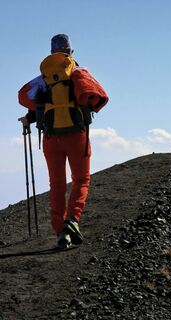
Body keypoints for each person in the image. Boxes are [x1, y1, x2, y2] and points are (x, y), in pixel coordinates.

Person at [18, 34, 108, 249]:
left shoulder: (44, 77)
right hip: (76, 137)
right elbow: (96, 97)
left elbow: (31, 100)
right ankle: (72, 221)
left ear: (52, 53)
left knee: (56, 184)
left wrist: (28, 119)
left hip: (51, 138)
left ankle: (61, 233)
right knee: (81, 180)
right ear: (70, 52)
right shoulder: (79, 72)